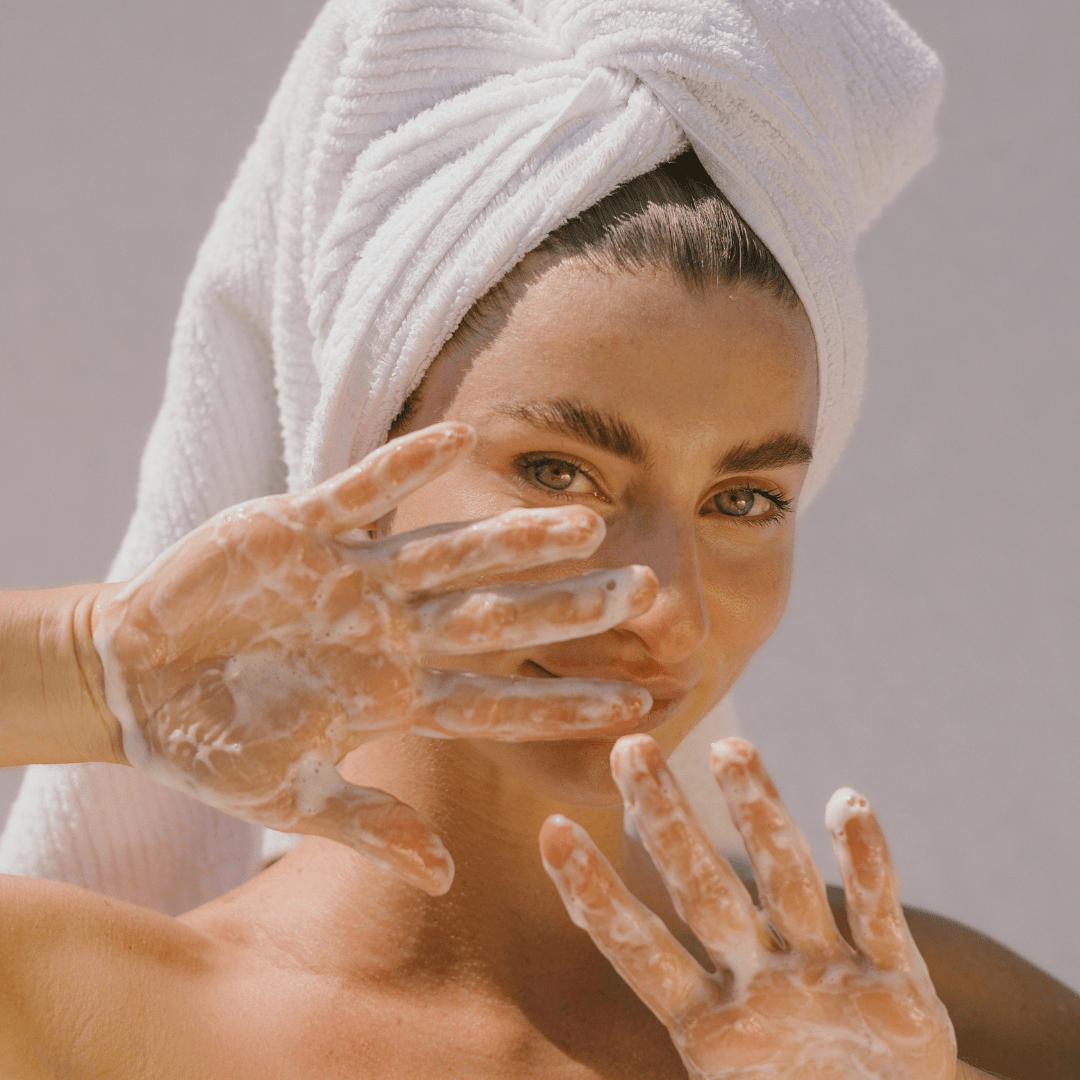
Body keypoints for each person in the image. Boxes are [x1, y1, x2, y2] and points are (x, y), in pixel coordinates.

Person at [1, 1, 1077, 1077]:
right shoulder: (69, 1006)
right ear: (358, 469)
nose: (666, 602)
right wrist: (93, 668)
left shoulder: (946, 1029)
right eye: (559, 473)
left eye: (743, 500)